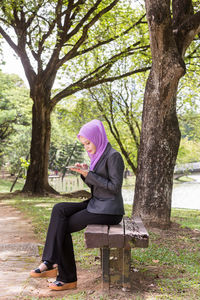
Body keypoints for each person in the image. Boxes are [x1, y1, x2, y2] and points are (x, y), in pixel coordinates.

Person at [30, 119, 125, 291]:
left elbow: (114, 188)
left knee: (63, 226)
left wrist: (90, 174)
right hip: (97, 203)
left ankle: (65, 276)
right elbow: (97, 186)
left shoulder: (113, 156)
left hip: (110, 210)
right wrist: (85, 174)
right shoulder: (98, 156)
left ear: (98, 138)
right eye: (84, 144)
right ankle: (50, 262)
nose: (87, 147)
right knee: (59, 209)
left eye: (88, 143)